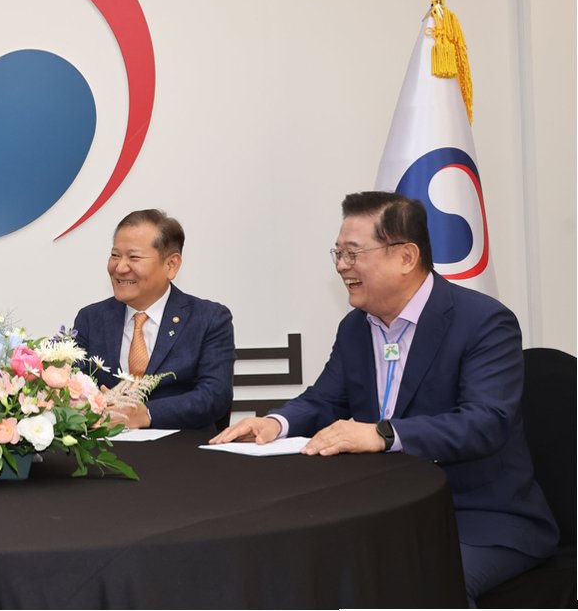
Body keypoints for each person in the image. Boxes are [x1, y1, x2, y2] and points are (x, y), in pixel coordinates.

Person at [210, 191, 558, 603]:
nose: (342, 266)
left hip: (478, 518)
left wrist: (382, 434)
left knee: (411, 589)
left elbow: (485, 422)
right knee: (299, 573)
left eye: (353, 253)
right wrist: (275, 423)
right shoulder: (356, 327)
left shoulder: (482, 322)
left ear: (406, 257)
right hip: (383, 510)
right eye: (338, 253)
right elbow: (324, 400)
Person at [73, 209, 234, 429]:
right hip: (107, 447)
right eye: (115, 255)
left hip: (183, 447)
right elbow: (72, 386)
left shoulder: (209, 319)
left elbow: (214, 396)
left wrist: (147, 414)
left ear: (171, 265)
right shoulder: (91, 319)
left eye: (134, 257)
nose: (120, 267)